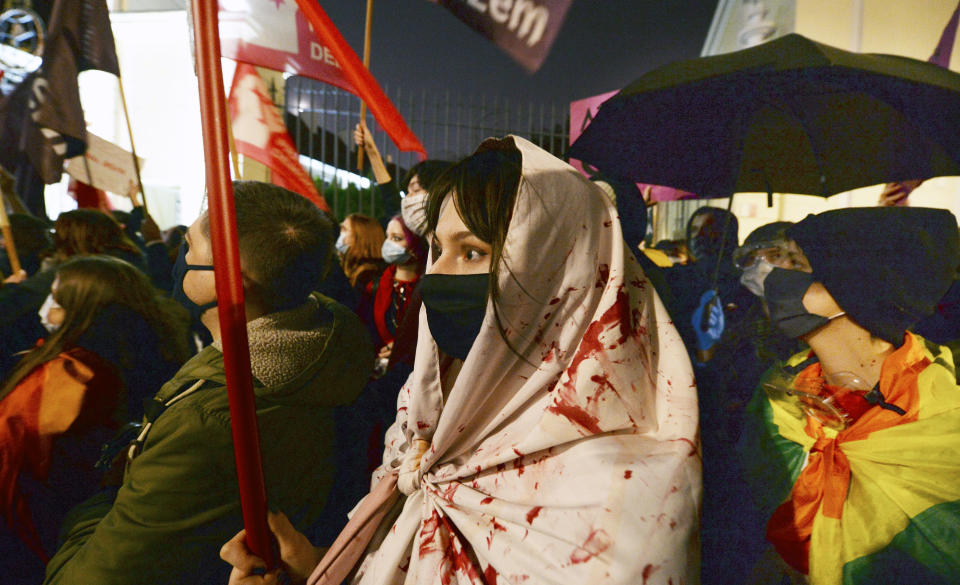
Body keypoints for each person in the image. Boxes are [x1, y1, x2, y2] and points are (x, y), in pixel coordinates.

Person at [222, 136, 701, 585]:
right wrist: (309, 565)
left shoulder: (624, 500)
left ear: (560, 277)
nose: (439, 276)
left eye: (472, 252)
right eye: (437, 249)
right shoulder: (423, 421)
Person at [42, 182, 375, 585]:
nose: (179, 258)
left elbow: (89, 577)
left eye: (189, 247)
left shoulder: (207, 421)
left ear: (231, 281)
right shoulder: (328, 340)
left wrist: (96, 504)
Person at [740, 207, 960, 584]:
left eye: (799, 267)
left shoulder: (943, 426)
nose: (775, 279)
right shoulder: (778, 396)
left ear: (855, 292)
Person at [0, 255, 190, 583]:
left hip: (50, 527)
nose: (46, 307)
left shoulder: (73, 374)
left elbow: (19, 447)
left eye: (57, 298)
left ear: (84, 308)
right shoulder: (151, 350)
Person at [0, 209, 147, 380]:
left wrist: (10, 290)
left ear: (69, 238)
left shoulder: (77, 274)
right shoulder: (128, 265)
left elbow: (10, 306)